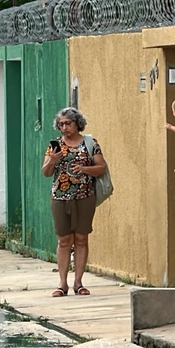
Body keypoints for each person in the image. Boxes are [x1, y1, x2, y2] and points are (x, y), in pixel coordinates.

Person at [41, 107, 107, 297]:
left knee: (81, 238)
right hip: (60, 197)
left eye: (68, 123)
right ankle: (62, 284)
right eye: (61, 124)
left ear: (77, 123)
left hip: (84, 196)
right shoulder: (55, 145)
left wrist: (85, 169)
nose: (64, 127)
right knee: (64, 240)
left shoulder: (90, 143)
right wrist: (52, 160)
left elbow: (101, 168)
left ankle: (78, 283)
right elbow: (46, 172)